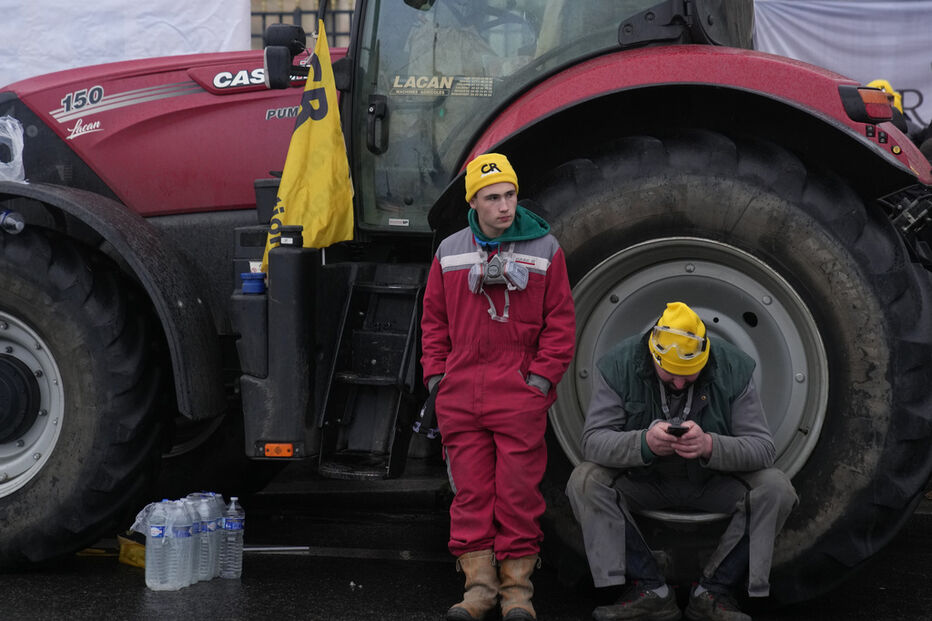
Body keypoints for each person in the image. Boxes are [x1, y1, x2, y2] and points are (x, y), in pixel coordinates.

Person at [565, 302, 797, 621]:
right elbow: (592, 441)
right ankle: (649, 590)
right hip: (645, 481)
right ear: (653, 354)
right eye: (670, 374)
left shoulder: (732, 367)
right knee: (585, 481)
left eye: (689, 374)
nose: (678, 383)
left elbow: (762, 449)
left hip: (713, 481)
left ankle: (714, 592)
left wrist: (709, 445)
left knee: (776, 488)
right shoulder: (620, 364)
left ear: (704, 358)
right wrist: (643, 444)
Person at [421, 152, 576, 620]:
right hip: (461, 393)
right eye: (493, 198)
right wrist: (437, 378)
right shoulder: (449, 251)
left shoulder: (546, 249)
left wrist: (539, 380)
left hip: (517, 394)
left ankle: (517, 595)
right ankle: (479, 591)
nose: (505, 207)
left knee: (518, 497)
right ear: (474, 202)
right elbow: (433, 321)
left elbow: (561, 325)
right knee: (470, 496)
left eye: (510, 195)